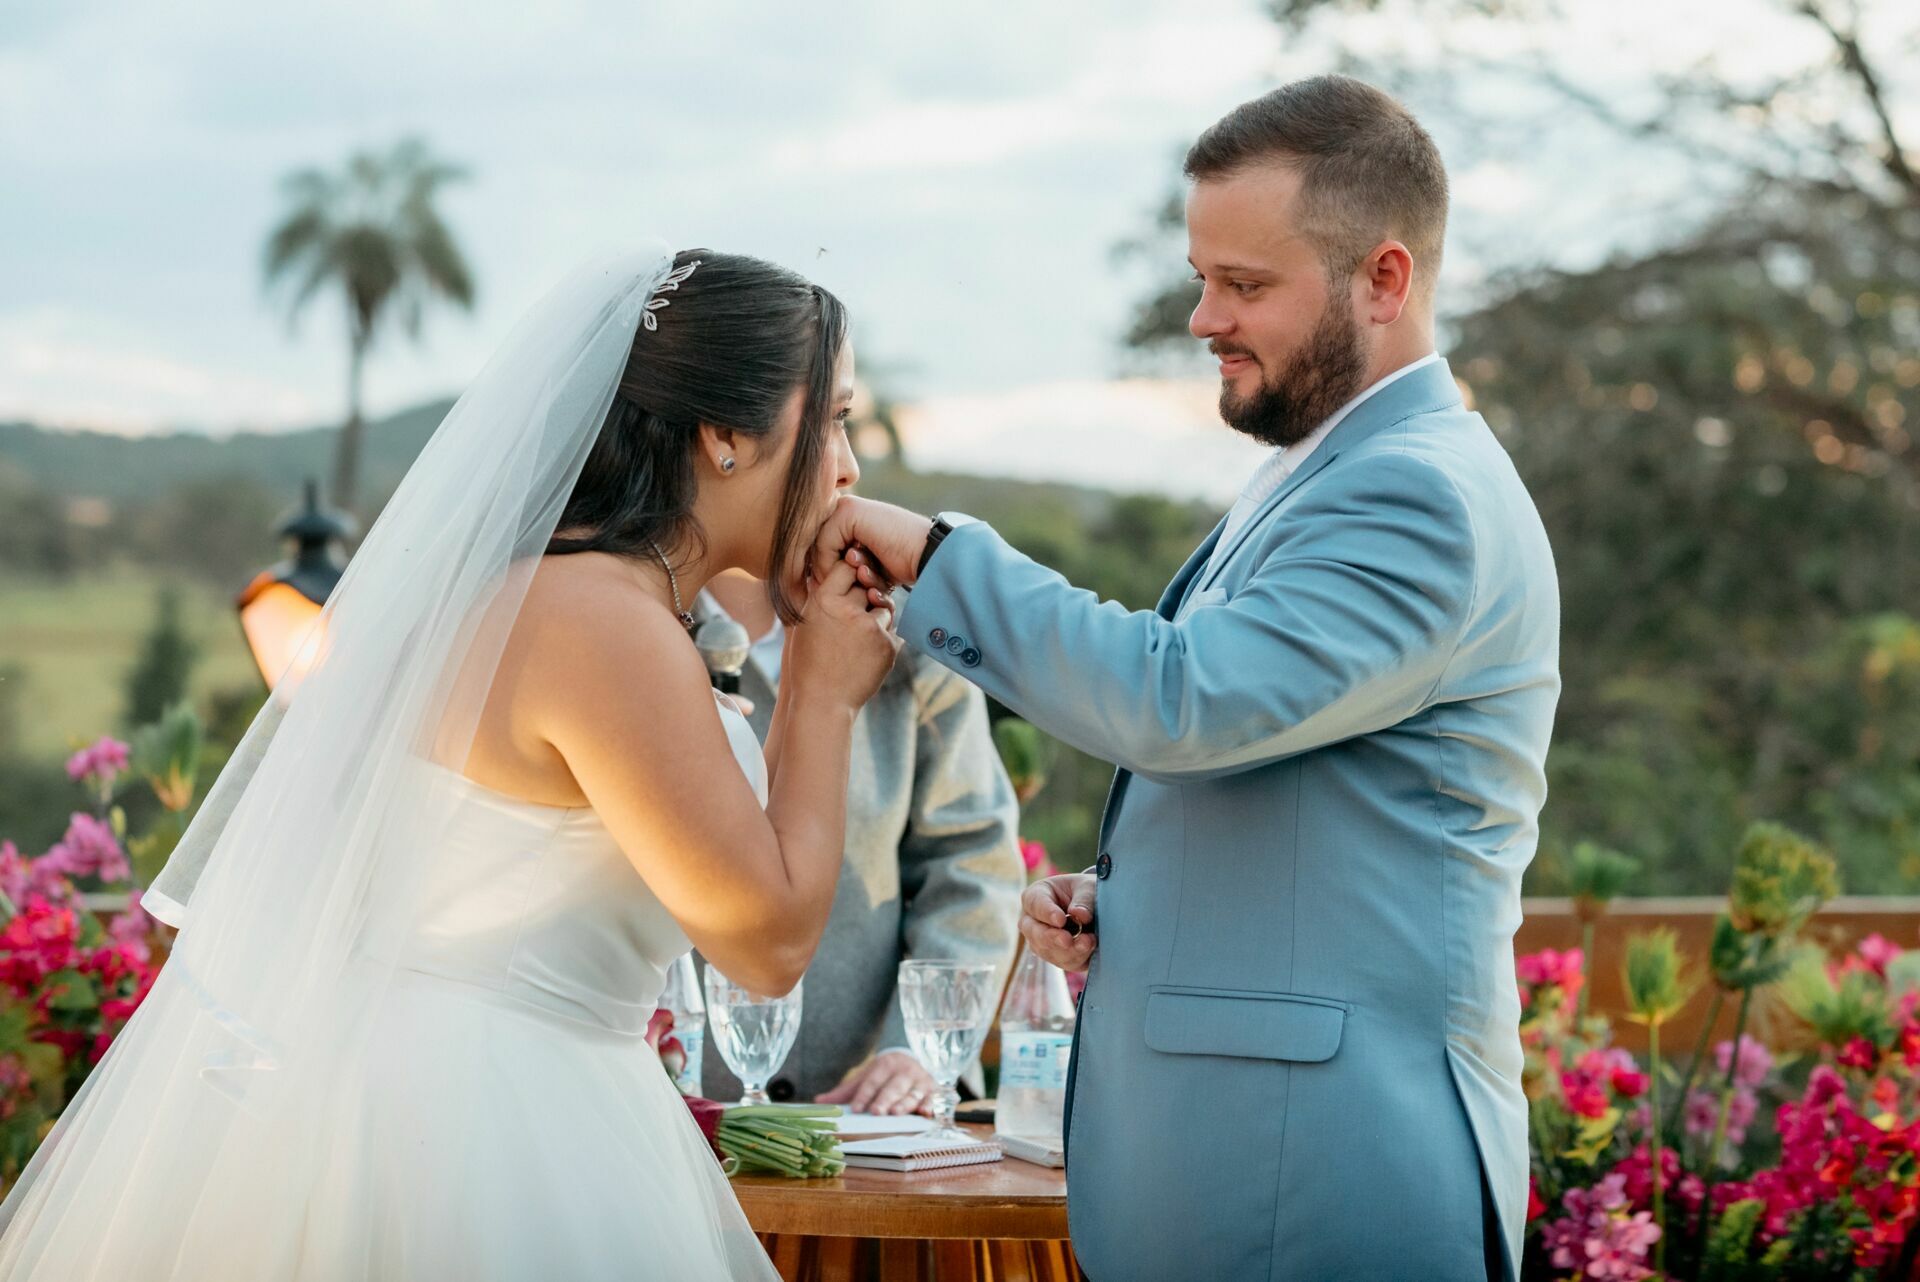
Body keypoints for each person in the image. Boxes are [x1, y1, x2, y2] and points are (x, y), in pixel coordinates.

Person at [0, 247, 898, 1280]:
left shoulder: (568, 596)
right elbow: (768, 937)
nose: (848, 462)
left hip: (431, 1087)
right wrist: (826, 691)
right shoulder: (604, 623)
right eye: (831, 417)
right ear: (728, 435)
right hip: (494, 1118)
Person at [817, 76, 1561, 1282]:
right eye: (1203, 275)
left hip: (1318, 1175)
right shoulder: (1330, 469)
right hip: (1253, 1163)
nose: (1205, 316)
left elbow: (1182, 701)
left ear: (1384, 278)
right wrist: (1151, 904)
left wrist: (932, 556)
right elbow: (1299, 779)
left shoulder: (1418, 493)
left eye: (1247, 284)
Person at [694, 569, 1022, 1115]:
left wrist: (917, 1050)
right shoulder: (636, 623)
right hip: (667, 1117)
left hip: (871, 1133)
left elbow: (973, 863)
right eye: (824, 472)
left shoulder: (910, 637)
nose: (847, 478)